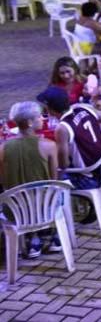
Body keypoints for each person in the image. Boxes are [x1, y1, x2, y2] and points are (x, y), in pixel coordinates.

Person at [0, 101, 60, 258]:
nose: (43, 119)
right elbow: (54, 180)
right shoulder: (49, 145)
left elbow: (3, 181)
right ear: (29, 123)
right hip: (45, 209)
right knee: (59, 191)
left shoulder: (3, 148)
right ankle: (53, 233)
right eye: (39, 116)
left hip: (15, 211)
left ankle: (33, 239)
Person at [38, 86, 101, 190]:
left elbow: (63, 164)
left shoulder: (62, 128)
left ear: (50, 109)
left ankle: (62, 204)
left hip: (89, 178)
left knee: (46, 175)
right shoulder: (84, 109)